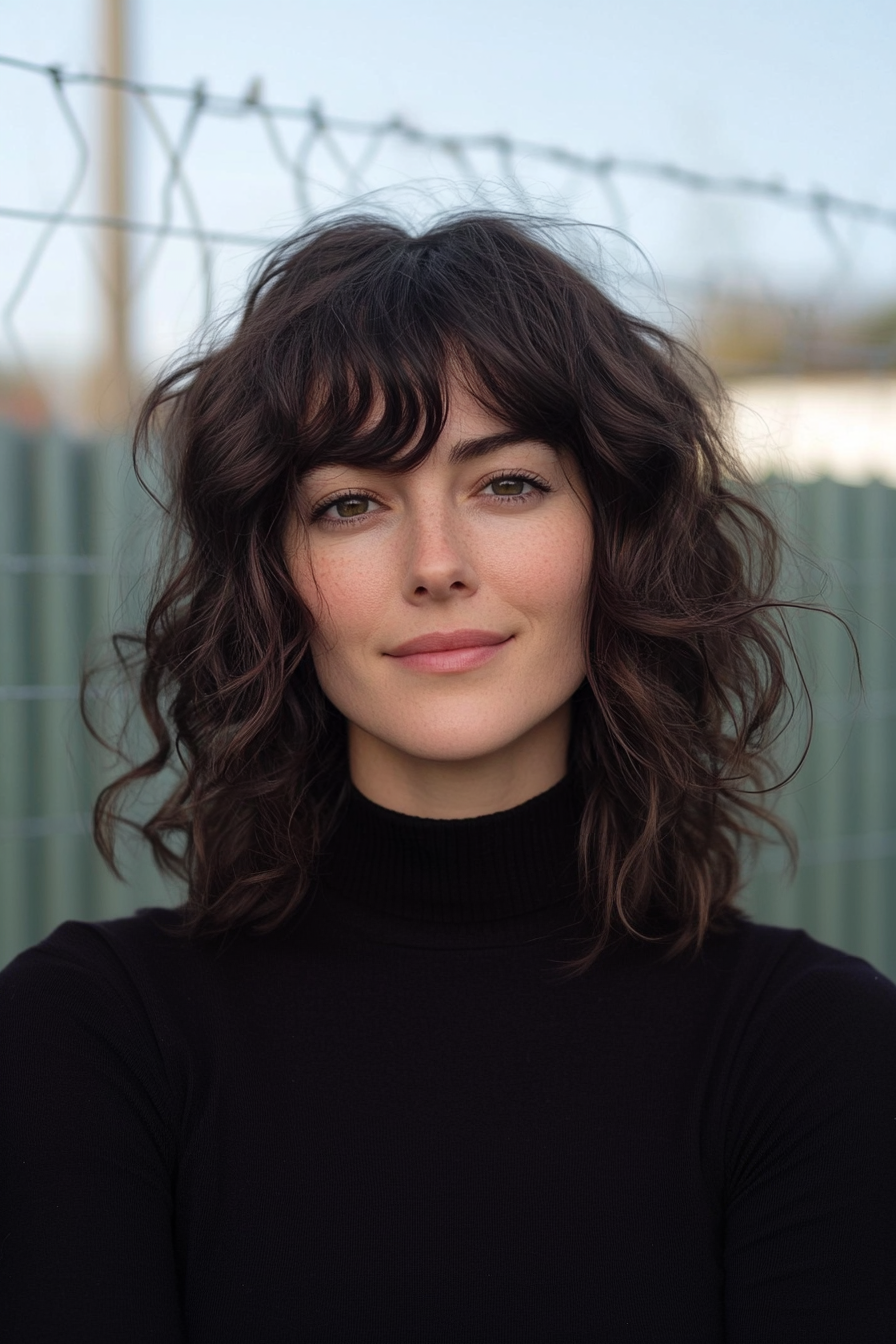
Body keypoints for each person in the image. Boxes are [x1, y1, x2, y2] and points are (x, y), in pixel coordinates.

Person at [1, 211, 895, 1343]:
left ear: (613, 537)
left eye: (507, 484)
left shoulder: (814, 1052)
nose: (434, 565)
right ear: (274, 579)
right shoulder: (90, 1038)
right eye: (351, 503)